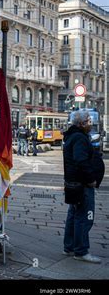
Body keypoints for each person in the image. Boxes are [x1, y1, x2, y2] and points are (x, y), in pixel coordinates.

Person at [62, 111, 104, 264]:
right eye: (88, 120)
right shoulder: (79, 138)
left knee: (73, 215)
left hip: (73, 183)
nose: (90, 123)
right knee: (85, 217)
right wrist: (91, 179)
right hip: (82, 185)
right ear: (81, 124)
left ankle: (69, 247)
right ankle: (81, 251)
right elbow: (81, 160)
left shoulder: (73, 136)